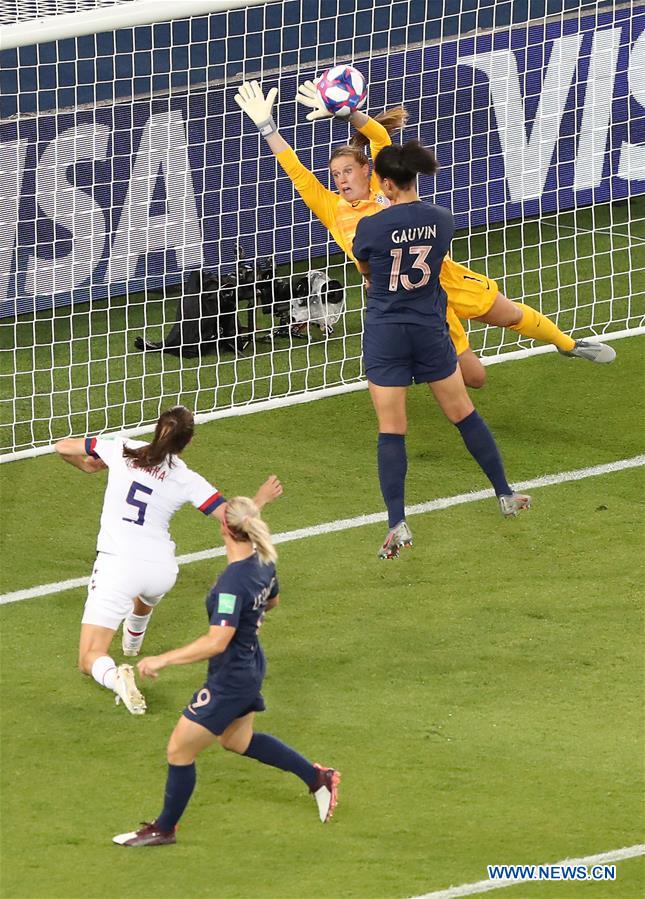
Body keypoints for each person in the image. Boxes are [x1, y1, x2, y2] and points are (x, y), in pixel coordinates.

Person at [233, 80, 615, 389]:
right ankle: (422, 360)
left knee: (510, 313)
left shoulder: (388, 189)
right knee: (476, 379)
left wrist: (349, 113)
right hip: (413, 300)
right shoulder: (333, 210)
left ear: (369, 172)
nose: (341, 179)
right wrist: (267, 126)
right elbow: (296, 171)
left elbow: (380, 136)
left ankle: (568, 344)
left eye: (347, 171)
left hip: (445, 275)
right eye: (336, 175)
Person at [112, 495, 339, 846]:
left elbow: (216, 641)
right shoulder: (264, 561)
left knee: (178, 750)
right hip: (249, 663)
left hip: (232, 676)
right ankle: (317, 777)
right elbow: (273, 601)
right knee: (237, 740)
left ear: (224, 528)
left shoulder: (233, 583)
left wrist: (162, 659)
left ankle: (164, 829)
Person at [351, 140, 530, 557]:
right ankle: (505, 493)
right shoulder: (442, 219)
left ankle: (398, 523)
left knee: (392, 429)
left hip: (387, 332)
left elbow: (367, 271)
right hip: (431, 328)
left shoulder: (371, 226)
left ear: (388, 185)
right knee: (463, 413)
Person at [54, 406, 282, 714]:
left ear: (156, 428)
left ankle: (116, 677)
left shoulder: (122, 447)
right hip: (162, 569)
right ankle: (133, 642)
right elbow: (232, 520)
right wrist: (260, 499)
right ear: (187, 443)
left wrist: (86, 466)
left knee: (89, 656)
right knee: (145, 592)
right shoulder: (187, 479)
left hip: (118, 566)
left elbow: (62, 446)